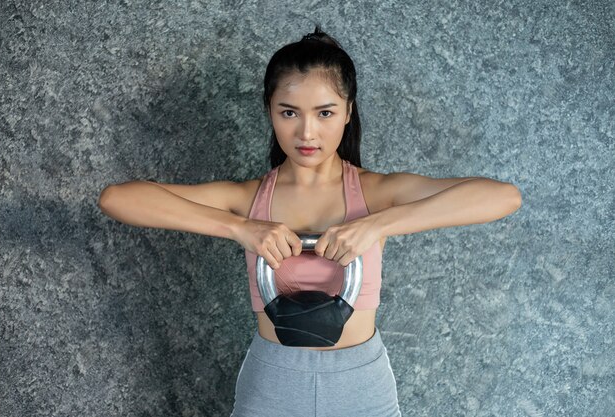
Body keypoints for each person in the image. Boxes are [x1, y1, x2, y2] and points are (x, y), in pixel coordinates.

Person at [98, 26, 522, 417]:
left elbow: (503, 197)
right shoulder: (247, 199)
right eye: (289, 113)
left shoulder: (375, 193)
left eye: (324, 113)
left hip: (362, 384)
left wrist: (379, 224)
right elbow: (118, 199)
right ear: (270, 111)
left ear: (348, 112)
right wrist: (240, 227)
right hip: (272, 380)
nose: (307, 133)